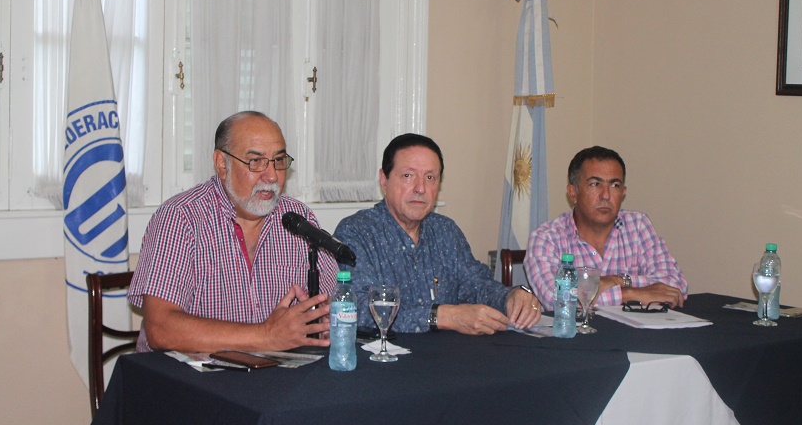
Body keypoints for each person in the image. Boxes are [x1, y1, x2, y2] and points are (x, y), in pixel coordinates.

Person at [128, 111, 338, 353]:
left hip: (277, 370)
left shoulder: (298, 219)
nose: (271, 175)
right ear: (222, 163)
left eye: (279, 160)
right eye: (256, 161)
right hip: (187, 373)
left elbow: (335, 302)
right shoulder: (180, 218)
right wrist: (266, 336)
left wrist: (326, 322)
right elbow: (161, 329)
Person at [335, 133, 540, 335]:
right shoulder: (356, 232)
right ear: (384, 180)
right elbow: (356, 309)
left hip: (448, 352)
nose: (420, 188)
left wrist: (510, 297)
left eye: (430, 177)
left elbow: (477, 285)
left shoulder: (445, 231)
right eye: (408, 176)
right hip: (385, 353)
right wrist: (442, 317)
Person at [524, 146, 688, 312]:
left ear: (623, 192)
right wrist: (628, 294)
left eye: (614, 185)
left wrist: (616, 280)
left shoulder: (638, 225)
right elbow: (558, 300)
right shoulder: (547, 238)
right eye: (595, 184)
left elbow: (676, 285)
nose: (606, 195)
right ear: (573, 192)